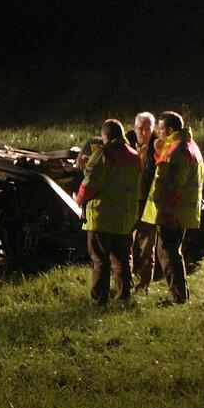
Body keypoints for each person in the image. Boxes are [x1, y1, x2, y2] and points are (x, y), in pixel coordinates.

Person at [75, 119, 142, 306]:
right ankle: (124, 295)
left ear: (105, 136)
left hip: (102, 218)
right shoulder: (134, 156)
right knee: (122, 259)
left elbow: (90, 185)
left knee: (100, 261)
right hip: (125, 218)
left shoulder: (104, 154)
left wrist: (78, 199)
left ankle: (99, 300)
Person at [141, 111, 204, 304]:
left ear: (169, 130)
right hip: (182, 212)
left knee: (168, 252)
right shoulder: (187, 145)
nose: (157, 133)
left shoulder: (178, 151)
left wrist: (167, 215)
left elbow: (173, 185)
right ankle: (180, 293)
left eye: (160, 129)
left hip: (173, 213)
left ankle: (177, 296)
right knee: (170, 250)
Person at [125, 112, 158, 292]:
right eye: (140, 129)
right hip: (129, 200)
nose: (143, 133)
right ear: (134, 127)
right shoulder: (126, 142)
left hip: (148, 202)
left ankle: (143, 284)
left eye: (147, 129)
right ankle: (126, 280)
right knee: (125, 242)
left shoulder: (157, 147)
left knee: (147, 245)